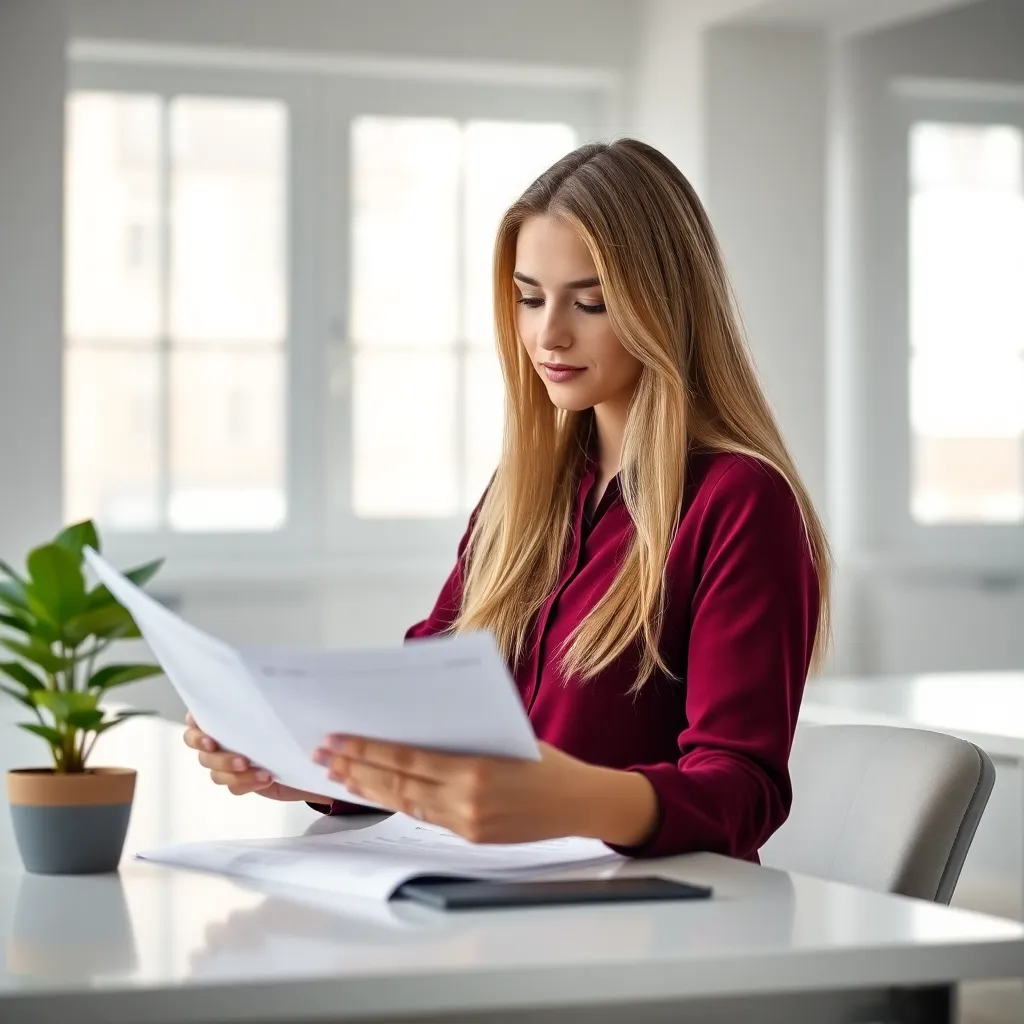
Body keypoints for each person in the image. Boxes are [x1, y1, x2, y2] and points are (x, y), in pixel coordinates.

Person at [183, 138, 830, 860]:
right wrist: (303, 763)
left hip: (647, 921)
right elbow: (430, 705)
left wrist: (570, 799)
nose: (548, 334)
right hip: (487, 896)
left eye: (591, 302)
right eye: (528, 299)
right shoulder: (526, 490)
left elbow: (743, 788)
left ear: (665, 307)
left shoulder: (741, 503)